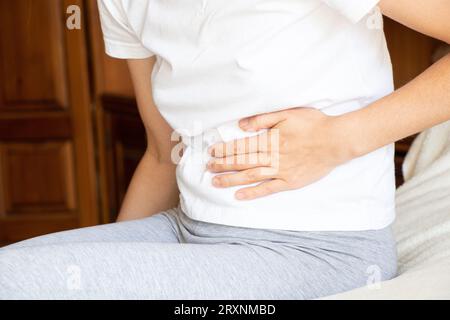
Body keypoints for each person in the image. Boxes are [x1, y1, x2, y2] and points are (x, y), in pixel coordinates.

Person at [1, 0, 449, 299]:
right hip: (187, 229)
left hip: (321, 251)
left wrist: (341, 139)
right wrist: (117, 264)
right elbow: (163, 154)